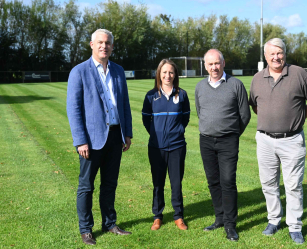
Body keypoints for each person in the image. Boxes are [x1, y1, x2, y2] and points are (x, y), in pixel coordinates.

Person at [249, 38, 307, 244]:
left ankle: (295, 226)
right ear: (265, 56)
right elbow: (255, 106)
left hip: (292, 140)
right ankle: (273, 220)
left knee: (293, 185)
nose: (276, 57)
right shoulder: (257, 78)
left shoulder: (298, 74)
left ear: (285, 54)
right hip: (264, 141)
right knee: (268, 184)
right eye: (272, 53)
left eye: (279, 53)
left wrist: (298, 119)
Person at [66, 29, 133, 246]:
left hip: (115, 137)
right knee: (86, 186)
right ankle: (86, 229)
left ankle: (109, 223)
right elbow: (74, 108)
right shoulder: (79, 71)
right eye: (100, 42)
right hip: (91, 140)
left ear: (112, 46)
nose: (104, 46)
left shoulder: (119, 71)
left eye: (108, 43)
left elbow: (124, 104)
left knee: (110, 184)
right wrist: (80, 140)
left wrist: (128, 133)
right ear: (91, 45)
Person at [195, 49, 251, 241]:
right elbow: (200, 111)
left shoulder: (236, 85)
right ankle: (219, 218)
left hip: (228, 141)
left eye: (217, 63)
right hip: (206, 141)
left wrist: (232, 134)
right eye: (210, 64)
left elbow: (245, 115)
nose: (214, 67)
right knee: (213, 181)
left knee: (228, 182)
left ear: (224, 63)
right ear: (205, 66)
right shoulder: (200, 87)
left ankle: (230, 225)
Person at [142, 59, 190, 231]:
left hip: (177, 146)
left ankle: (178, 216)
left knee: (176, 183)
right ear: (159, 74)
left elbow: (185, 119)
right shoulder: (151, 96)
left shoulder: (182, 95)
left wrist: (176, 132)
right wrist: (157, 135)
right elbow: (146, 120)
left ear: (175, 74)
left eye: (171, 72)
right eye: (164, 72)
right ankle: (157, 216)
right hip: (156, 147)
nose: (167, 75)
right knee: (158, 183)